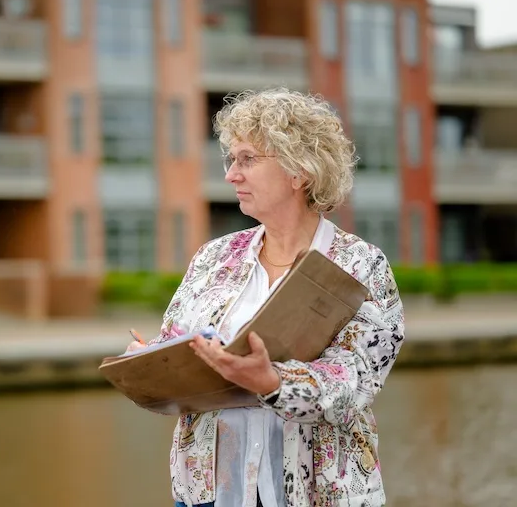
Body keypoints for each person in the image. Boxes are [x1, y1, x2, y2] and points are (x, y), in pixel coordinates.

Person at [127, 88, 404, 506]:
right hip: (211, 493)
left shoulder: (360, 265)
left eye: (247, 159)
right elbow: (178, 343)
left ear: (299, 171)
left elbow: (357, 381)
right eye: (231, 159)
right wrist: (151, 363)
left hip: (320, 494)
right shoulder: (214, 257)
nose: (231, 174)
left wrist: (272, 383)